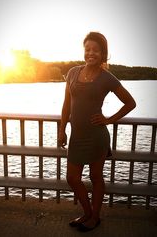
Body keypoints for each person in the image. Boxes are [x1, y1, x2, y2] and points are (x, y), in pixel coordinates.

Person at [58, 31, 136, 232]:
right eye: (87, 49)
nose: (91, 53)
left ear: (103, 54)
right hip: (76, 137)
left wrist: (109, 119)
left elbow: (130, 103)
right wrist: (62, 129)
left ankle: (95, 217)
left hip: (96, 137)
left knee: (96, 176)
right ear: (84, 51)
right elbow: (67, 104)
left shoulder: (107, 78)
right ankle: (86, 212)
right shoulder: (73, 72)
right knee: (72, 178)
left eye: (96, 50)